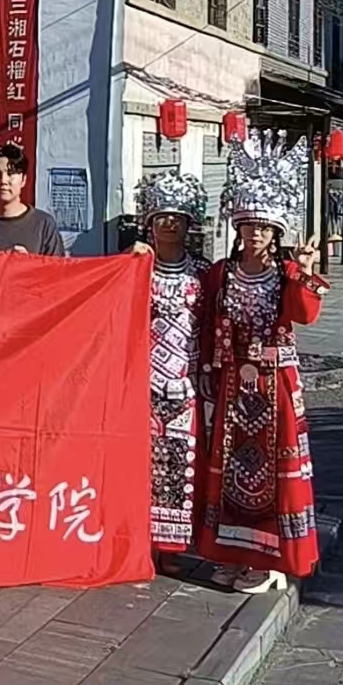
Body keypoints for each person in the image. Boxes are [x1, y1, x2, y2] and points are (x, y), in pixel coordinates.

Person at [193, 142, 328, 592]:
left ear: (275, 232)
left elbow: (305, 314)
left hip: (275, 384)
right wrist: (208, 374)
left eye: (264, 228)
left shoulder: (286, 273)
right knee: (230, 470)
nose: (255, 234)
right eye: (249, 225)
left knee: (273, 472)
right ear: (238, 227)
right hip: (233, 384)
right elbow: (208, 323)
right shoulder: (221, 273)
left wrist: (305, 270)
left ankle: (271, 561)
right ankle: (233, 552)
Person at [130, 172, 209, 569]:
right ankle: (139, 540)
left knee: (179, 464)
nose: (169, 224)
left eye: (177, 218)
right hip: (140, 381)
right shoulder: (135, 267)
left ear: (188, 223)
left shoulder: (204, 273)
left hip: (184, 384)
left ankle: (172, 547)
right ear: (149, 222)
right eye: (161, 217)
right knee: (139, 464)